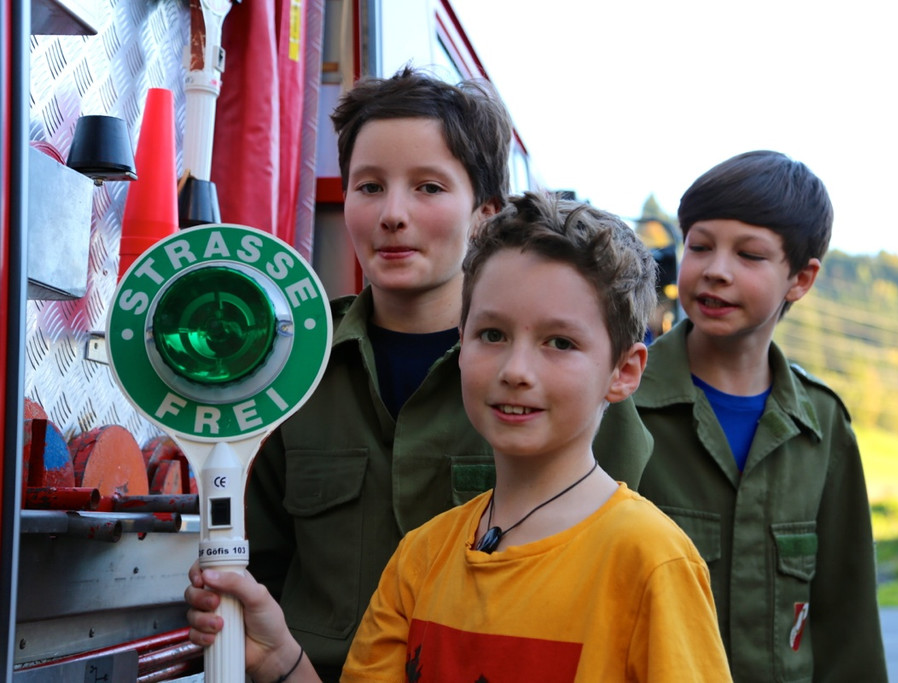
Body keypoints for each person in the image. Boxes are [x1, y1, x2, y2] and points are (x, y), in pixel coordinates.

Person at [187, 192, 731, 682]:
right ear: (460, 345)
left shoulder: (650, 562)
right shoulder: (421, 556)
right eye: (492, 334)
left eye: (560, 343)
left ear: (624, 372)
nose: (516, 370)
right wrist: (281, 659)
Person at [243, 68, 652, 681]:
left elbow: (618, 564)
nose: (392, 214)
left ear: (485, 213)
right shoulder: (295, 364)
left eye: (428, 187)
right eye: (369, 186)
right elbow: (260, 566)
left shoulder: (568, 385)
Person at [634, 150, 888, 682]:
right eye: (700, 246)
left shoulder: (822, 427)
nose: (716, 270)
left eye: (749, 255)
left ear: (800, 278)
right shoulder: (619, 403)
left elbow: (849, 629)